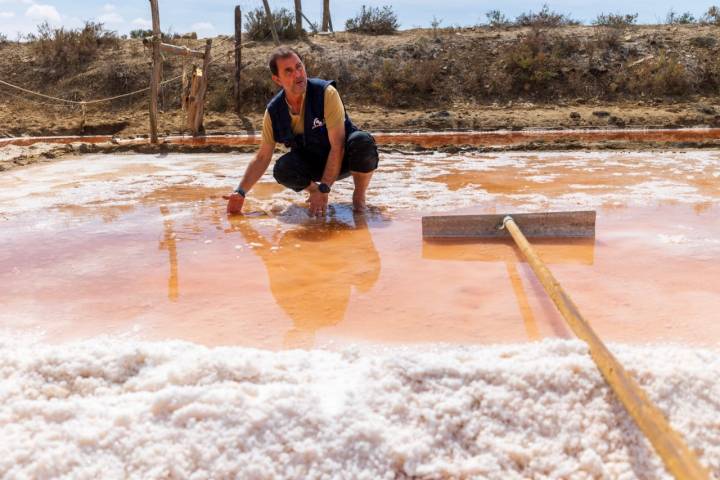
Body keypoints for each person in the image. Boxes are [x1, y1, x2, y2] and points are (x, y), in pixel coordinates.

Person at [224, 46, 379, 216]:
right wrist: (240, 192)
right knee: (282, 168)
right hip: (312, 165)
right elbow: (262, 157)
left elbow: (338, 145)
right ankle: (313, 192)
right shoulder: (273, 111)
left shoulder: (326, 93)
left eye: (299, 66)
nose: (298, 74)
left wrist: (325, 187)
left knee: (362, 141)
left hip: (344, 160)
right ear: (277, 79)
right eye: (289, 71)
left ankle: (359, 196)